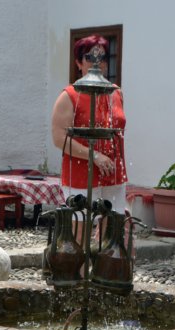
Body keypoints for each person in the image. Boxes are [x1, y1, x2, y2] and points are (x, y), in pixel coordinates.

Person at [51, 34, 128, 239]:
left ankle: (106, 261)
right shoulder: (69, 95)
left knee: (112, 234)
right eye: (90, 57)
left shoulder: (116, 93)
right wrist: (94, 155)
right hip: (81, 174)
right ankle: (77, 262)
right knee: (79, 234)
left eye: (102, 57)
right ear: (78, 62)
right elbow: (59, 138)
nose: (97, 62)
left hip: (113, 173)